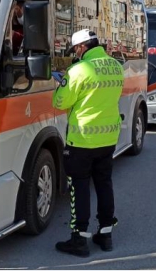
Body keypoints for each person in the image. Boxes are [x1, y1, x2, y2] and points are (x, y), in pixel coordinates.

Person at [52, 29, 125, 257]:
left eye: (75, 49)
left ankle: (79, 239)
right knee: (104, 184)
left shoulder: (79, 70)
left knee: (80, 187)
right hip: (108, 137)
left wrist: (62, 82)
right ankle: (105, 235)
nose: (76, 53)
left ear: (82, 47)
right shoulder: (115, 66)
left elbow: (60, 102)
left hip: (82, 139)